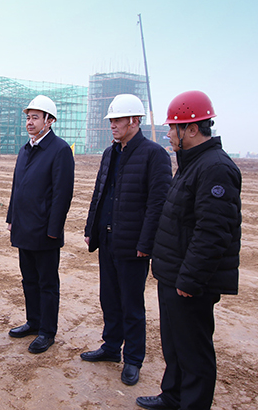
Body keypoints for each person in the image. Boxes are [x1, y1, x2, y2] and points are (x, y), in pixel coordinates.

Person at [136, 91, 242, 410]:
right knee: (175, 345)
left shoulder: (215, 168)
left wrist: (190, 280)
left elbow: (213, 232)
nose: (168, 134)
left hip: (190, 282)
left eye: (173, 127)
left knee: (194, 352)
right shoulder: (191, 164)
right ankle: (172, 396)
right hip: (173, 275)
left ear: (192, 129)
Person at [81, 94, 172, 385]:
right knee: (109, 299)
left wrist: (146, 244)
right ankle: (110, 347)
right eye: (111, 120)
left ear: (135, 120)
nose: (113, 125)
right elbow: (99, 193)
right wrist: (91, 228)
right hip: (108, 239)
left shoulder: (154, 154)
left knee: (131, 304)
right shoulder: (110, 153)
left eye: (118, 120)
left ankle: (133, 359)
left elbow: (158, 204)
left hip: (133, 245)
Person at [7, 95, 74, 354]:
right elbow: (17, 187)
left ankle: (47, 331)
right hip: (23, 227)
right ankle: (33, 322)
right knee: (29, 280)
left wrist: (53, 230)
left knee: (47, 284)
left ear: (50, 120)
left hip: (45, 231)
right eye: (28, 117)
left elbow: (62, 194)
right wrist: (11, 218)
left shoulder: (60, 150)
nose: (30, 122)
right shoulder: (25, 149)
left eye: (35, 117)